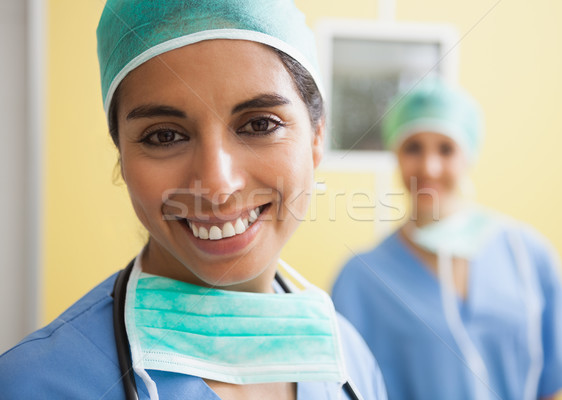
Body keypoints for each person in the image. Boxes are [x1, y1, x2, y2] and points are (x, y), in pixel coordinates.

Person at [0, 1, 387, 399]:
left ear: (317, 137)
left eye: (259, 125)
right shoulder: (33, 385)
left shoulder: (352, 362)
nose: (218, 186)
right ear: (122, 156)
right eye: (164, 136)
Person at [332, 79, 562, 400]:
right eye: (413, 147)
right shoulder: (362, 278)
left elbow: (549, 384)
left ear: (468, 154)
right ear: (396, 155)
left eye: (446, 149)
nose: (429, 166)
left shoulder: (527, 255)